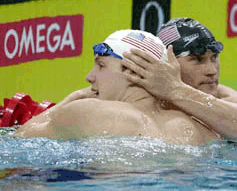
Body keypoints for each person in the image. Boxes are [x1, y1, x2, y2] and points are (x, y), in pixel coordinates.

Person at [14, 29, 220, 145]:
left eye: (101, 65)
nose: (89, 77)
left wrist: (71, 99)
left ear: (133, 72)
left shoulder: (87, 111)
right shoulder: (200, 126)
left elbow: (19, 139)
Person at [120, 17, 237, 145]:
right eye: (198, 60)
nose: (212, 70)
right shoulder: (142, 101)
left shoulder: (234, 102)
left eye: (214, 58)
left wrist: (176, 91)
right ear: (166, 64)